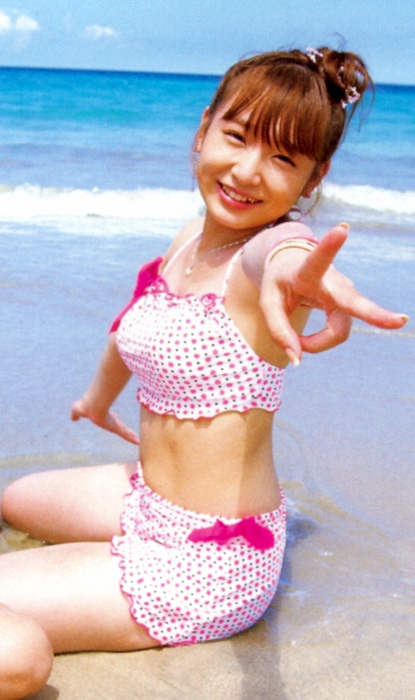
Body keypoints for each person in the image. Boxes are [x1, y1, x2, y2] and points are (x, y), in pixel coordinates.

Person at [0, 47, 408, 699]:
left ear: (314, 179)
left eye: (283, 159)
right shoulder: (192, 237)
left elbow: (285, 252)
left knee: (17, 651)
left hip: (205, 562)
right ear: (203, 129)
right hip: (151, 500)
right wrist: (97, 398)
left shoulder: (263, 255)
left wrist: (299, 267)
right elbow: (138, 313)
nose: (247, 172)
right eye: (237, 137)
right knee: (17, 499)